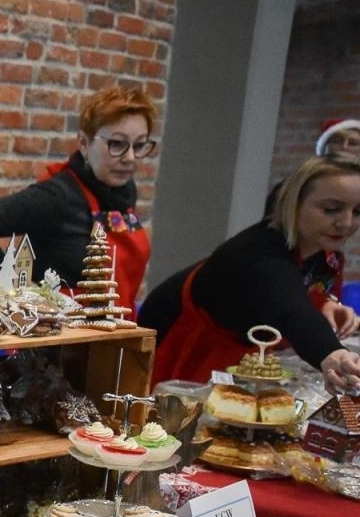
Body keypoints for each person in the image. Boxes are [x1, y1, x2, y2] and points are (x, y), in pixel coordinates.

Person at [142, 154, 360, 394]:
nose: (346, 223)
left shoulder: (323, 248)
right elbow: (291, 310)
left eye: (358, 211)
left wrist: (325, 304)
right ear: (293, 203)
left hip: (245, 347)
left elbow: (300, 293)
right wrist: (332, 353)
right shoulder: (259, 253)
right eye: (331, 209)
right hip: (184, 347)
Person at [0, 85, 157, 310]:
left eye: (140, 145)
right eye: (117, 144)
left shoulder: (124, 193)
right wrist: (19, 289)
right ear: (84, 143)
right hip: (59, 340)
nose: (131, 158)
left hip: (115, 335)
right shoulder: (57, 197)